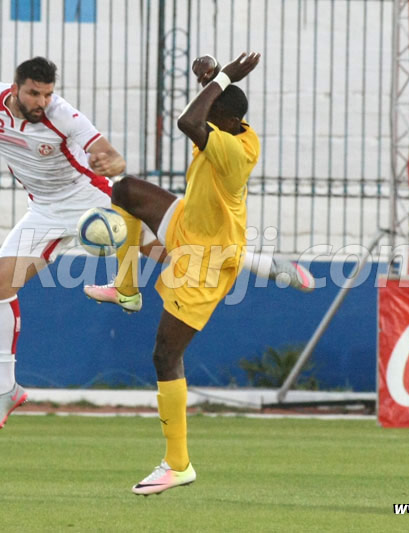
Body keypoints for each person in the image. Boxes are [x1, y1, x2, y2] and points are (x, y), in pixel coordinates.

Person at [89, 51, 272, 495]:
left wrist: (224, 76)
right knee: (126, 191)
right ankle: (127, 288)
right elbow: (205, 112)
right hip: (190, 223)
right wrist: (213, 78)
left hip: (208, 263)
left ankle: (178, 464)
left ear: (224, 121)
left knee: (164, 356)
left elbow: (189, 122)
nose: (206, 119)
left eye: (213, 113)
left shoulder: (230, 148)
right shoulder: (230, 124)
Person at [0, 57, 131, 439]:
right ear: (15, 89)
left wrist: (111, 161)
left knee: (167, 248)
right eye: (33, 93)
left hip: (86, 197)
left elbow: (108, 152)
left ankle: (252, 261)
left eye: (47, 93)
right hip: (43, 210)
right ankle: (6, 389)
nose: (42, 100)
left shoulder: (63, 116)